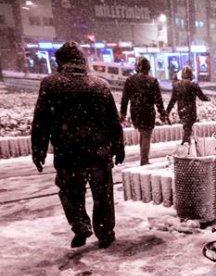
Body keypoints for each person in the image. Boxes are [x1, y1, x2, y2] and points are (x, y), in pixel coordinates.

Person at [30, 41, 125, 249]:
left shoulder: (50, 84)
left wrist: (38, 149)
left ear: (61, 62)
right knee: (103, 195)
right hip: (99, 152)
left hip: (68, 154)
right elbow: (113, 121)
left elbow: (41, 121)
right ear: (83, 61)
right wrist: (118, 146)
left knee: (70, 193)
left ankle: (80, 224)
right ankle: (105, 233)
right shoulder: (100, 85)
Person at [120, 56, 167, 166]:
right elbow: (158, 100)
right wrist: (162, 113)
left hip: (135, 112)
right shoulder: (152, 81)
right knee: (146, 135)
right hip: (147, 111)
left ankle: (143, 157)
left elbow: (124, 99)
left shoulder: (129, 80)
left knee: (142, 134)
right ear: (148, 68)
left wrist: (123, 114)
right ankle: (144, 160)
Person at [166, 66, 210, 144]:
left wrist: (167, 112)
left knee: (186, 128)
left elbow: (172, 100)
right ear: (191, 75)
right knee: (188, 129)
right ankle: (185, 145)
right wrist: (208, 99)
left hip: (181, 111)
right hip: (191, 111)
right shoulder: (194, 85)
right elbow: (202, 97)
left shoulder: (176, 85)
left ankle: (187, 145)